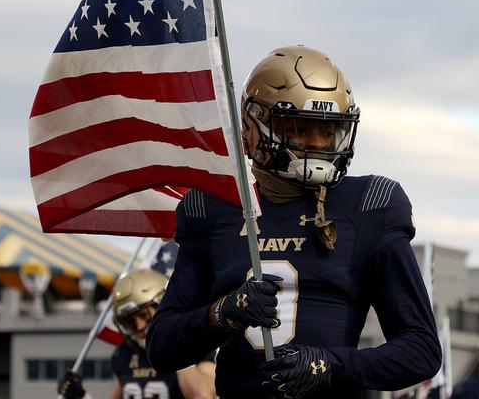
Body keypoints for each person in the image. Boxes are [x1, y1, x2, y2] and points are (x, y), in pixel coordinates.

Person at [146, 45, 442, 398]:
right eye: (302, 129)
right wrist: (225, 312)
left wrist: (331, 366)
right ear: (253, 127)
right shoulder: (215, 208)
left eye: (328, 132)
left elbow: (421, 349)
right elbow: (161, 348)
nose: (317, 145)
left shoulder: (369, 206)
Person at [57, 268, 216, 399]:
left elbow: (203, 395)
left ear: (162, 306)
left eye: (143, 315)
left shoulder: (195, 341)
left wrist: (173, 344)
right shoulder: (125, 352)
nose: (139, 326)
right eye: (129, 321)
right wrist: (82, 397)